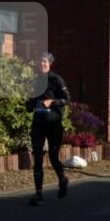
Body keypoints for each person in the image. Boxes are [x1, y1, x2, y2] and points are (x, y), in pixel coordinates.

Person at [25, 52, 71, 206]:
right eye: (40, 62)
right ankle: (38, 194)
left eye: (45, 61)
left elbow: (67, 100)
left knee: (53, 157)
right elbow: (30, 102)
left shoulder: (56, 79)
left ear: (50, 63)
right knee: (37, 158)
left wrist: (51, 102)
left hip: (54, 124)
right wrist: (29, 105)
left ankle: (62, 179)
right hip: (38, 125)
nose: (42, 64)